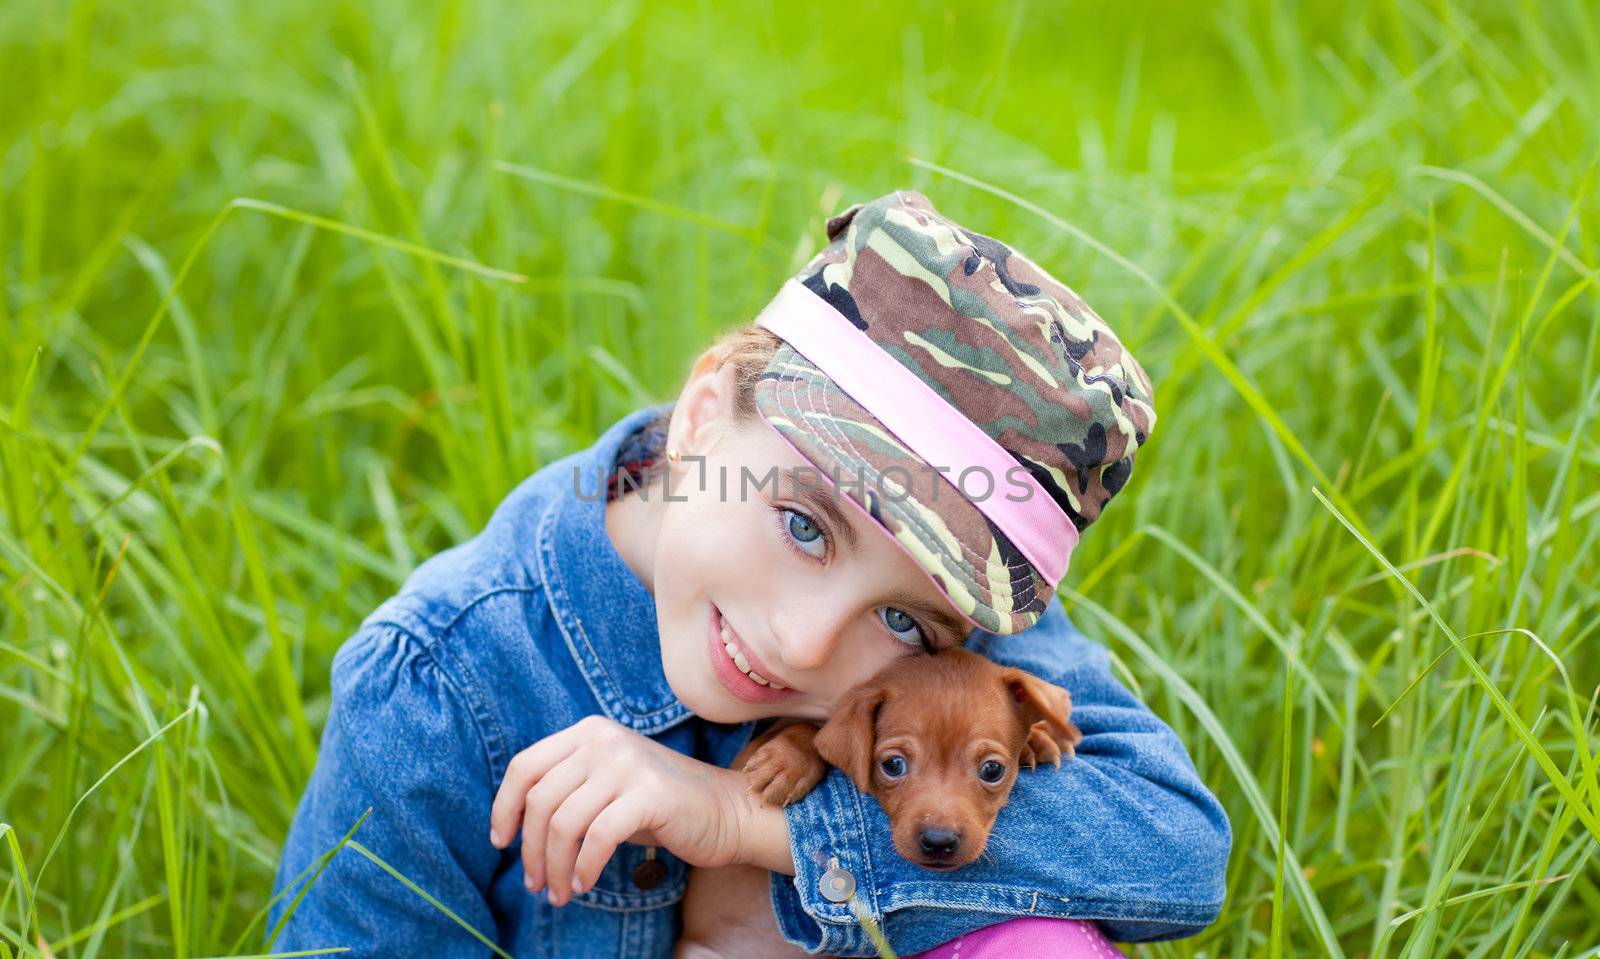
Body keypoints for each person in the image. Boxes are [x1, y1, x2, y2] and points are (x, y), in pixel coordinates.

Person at [267, 190, 1232, 958]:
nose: (807, 641)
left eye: (905, 622)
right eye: (806, 526)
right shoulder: (438, 685)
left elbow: (1177, 847)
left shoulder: (970, 633)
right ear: (700, 418)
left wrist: (749, 822)